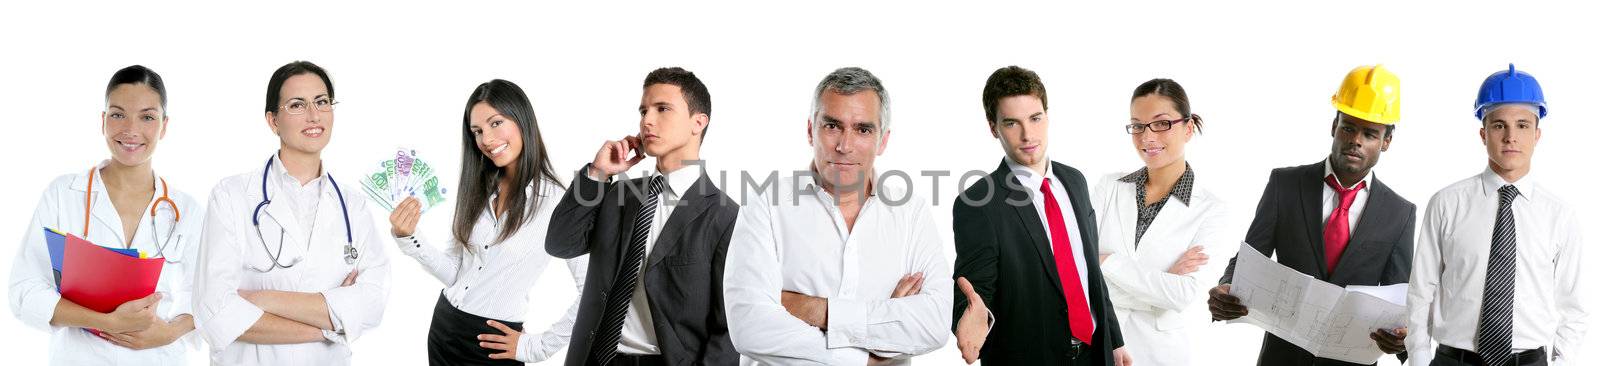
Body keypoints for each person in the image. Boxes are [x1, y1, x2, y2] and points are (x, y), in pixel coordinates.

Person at [723, 66, 952, 365]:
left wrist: (814, 309)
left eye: (863, 129)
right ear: (810, 131)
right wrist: (869, 349)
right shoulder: (766, 206)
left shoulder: (911, 213)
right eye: (832, 126)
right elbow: (749, 328)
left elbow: (933, 324)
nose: (845, 146)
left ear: (882, 141)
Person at [1207, 64, 1415, 365]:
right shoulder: (1286, 185)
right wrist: (1227, 285)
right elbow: (1250, 257)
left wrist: (1402, 336)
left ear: (1386, 142)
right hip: (1282, 357)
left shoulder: (1400, 213)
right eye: (1348, 127)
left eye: (1369, 133)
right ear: (1334, 126)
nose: (1356, 140)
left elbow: (1398, 297)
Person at [192, 61, 392, 365]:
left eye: (322, 102)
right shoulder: (231, 196)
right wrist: (331, 327)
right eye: (297, 105)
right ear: (273, 121)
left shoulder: (353, 206)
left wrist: (261, 299)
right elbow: (215, 313)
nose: (314, 115)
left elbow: (373, 304)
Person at [8, 65, 203, 365]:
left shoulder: (186, 210)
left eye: (147, 116)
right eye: (117, 114)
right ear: (103, 121)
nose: (131, 129)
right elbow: (25, 293)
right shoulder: (63, 194)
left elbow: (210, 297)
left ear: (164, 126)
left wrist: (169, 333)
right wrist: (108, 321)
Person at [546, 67, 739, 365]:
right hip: (597, 358)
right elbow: (560, 243)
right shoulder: (618, 196)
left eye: (662, 109)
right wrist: (597, 174)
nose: (647, 120)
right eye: (643, 110)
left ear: (698, 122)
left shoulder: (725, 216)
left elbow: (727, 328)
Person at [388, 79, 588, 365]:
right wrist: (410, 237)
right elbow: (456, 273)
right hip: (444, 329)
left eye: (496, 123)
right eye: (477, 131)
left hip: (495, 345)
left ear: (522, 119)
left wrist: (536, 347)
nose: (487, 140)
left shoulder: (559, 202)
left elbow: (593, 290)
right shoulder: (479, 190)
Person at [1405, 64, 1588, 366]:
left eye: (1522, 125)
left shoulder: (1559, 216)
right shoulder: (1447, 204)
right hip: (1454, 360)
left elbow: (1574, 307)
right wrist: (1420, 359)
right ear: (1483, 133)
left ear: (1537, 134)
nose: (1510, 136)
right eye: (1499, 125)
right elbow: (1421, 291)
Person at [951, 65, 1127, 365]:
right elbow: (975, 291)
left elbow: (1089, 272)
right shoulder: (978, 202)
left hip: (1096, 354)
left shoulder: (1075, 181)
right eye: (1011, 123)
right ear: (993, 128)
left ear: (1047, 115)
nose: (1027, 134)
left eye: (1035, 118)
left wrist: (1115, 341)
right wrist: (966, 320)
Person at [1090, 78, 1230, 366]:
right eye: (1137, 125)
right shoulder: (1109, 187)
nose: (1147, 137)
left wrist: (1105, 262)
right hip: (1098, 346)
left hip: (1158, 355)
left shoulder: (1211, 210)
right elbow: (1079, 276)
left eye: (1162, 123)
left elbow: (1182, 295)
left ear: (1188, 128)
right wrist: (1161, 285)